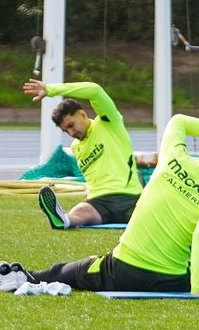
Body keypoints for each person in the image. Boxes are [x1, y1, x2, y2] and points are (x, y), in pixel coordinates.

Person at [0, 113, 199, 297]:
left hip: (120, 272)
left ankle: (15, 275)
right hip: (171, 279)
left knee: (65, 271)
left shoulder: (172, 159)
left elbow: (177, 120)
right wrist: (197, 288)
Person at [23, 78, 145, 228]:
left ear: (82, 114)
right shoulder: (76, 147)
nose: (71, 132)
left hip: (129, 198)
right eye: (65, 130)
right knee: (80, 211)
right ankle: (63, 220)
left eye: (71, 125)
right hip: (99, 202)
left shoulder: (109, 122)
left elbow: (94, 90)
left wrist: (50, 89)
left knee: (150, 216)